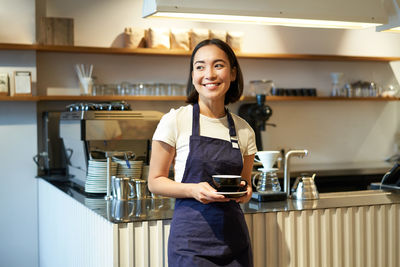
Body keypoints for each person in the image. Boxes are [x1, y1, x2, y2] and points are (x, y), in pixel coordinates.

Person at [148, 38, 257, 267]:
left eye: (218, 65)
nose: (209, 74)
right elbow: (155, 182)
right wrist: (193, 190)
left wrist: (246, 192)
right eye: (200, 66)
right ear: (193, 75)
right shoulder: (175, 120)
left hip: (235, 244)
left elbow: (246, 185)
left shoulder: (244, 130)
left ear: (233, 73)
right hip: (190, 246)